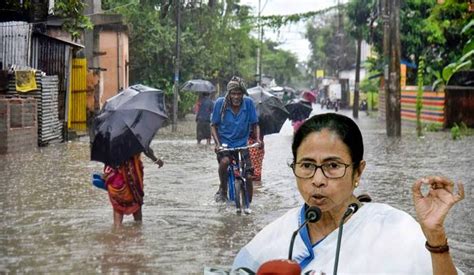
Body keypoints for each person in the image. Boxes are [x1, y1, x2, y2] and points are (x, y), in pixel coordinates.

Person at [232, 113, 465, 274]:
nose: (318, 180)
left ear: (357, 172)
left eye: (333, 166)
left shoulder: (395, 230)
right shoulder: (274, 237)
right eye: (306, 166)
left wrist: (435, 239)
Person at [211, 76, 261, 207]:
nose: (236, 97)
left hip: (242, 144)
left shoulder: (248, 103)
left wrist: (258, 140)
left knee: (249, 176)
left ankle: (249, 204)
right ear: (229, 94)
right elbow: (213, 125)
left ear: (243, 94)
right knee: (225, 162)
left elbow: (255, 124)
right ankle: (223, 188)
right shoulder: (220, 104)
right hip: (225, 145)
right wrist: (217, 144)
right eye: (233, 93)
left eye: (239, 94)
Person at [104, 147, 164, 228]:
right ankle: (138, 234)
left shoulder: (110, 141)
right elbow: (147, 150)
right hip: (132, 177)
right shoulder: (134, 138)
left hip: (116, 179)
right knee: (136, 204)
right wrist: (156, 160)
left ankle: (117, 234)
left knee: (118, 206)